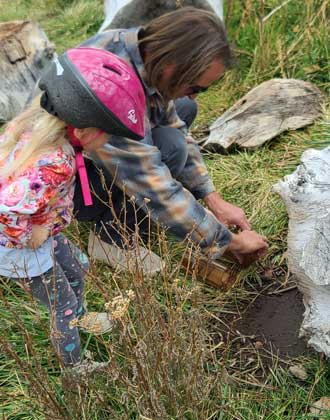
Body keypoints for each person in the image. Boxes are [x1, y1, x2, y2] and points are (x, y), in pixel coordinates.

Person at [74, 7, 268, 275]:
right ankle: (111, 240)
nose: (196, 95)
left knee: (183, 111)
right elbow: (155, 187)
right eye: (195, 87)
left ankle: (127, 213)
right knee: (170, 148)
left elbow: (172, 121)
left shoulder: (135, 49)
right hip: (63, 188)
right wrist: (228, 241)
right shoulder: (113, 92)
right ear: (171, 66)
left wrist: (213, 199)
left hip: (86, 158)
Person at [0, 47, 146, 372]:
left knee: (79, 266)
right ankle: (74, 367)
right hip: (20, 251)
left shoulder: (34, 129)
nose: (107, 140)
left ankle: (80, 317)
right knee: (60, 305)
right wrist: (31, 235)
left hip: (42, 231)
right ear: (81, 131)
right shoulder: (56, 162)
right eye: (106, 132)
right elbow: (7, 207)